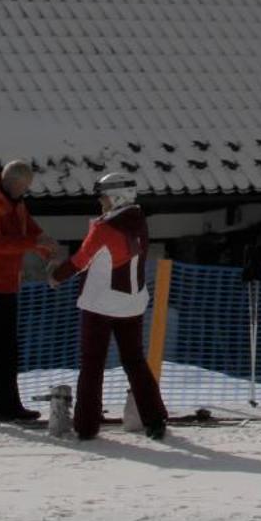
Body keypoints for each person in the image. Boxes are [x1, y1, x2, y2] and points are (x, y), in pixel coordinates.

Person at [49, 172, 168, 441]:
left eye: (102, 197)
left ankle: (87, 425)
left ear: (116, 197)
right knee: (135, 362)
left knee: (92, 365)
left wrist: (56, 276)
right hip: (133, 303)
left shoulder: (104, 228)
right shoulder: (139, 222)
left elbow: (81, 260)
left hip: (100, 305)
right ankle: (155, 419)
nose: (100, 203)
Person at [0, 159, 59, 429]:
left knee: (7, 349)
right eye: (24, 187)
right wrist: (34, 243)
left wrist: (46, 247)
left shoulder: (16, 204)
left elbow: (29, 230)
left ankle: (7, 407)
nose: (25, 192)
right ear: (13, 182)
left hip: (7, 285)